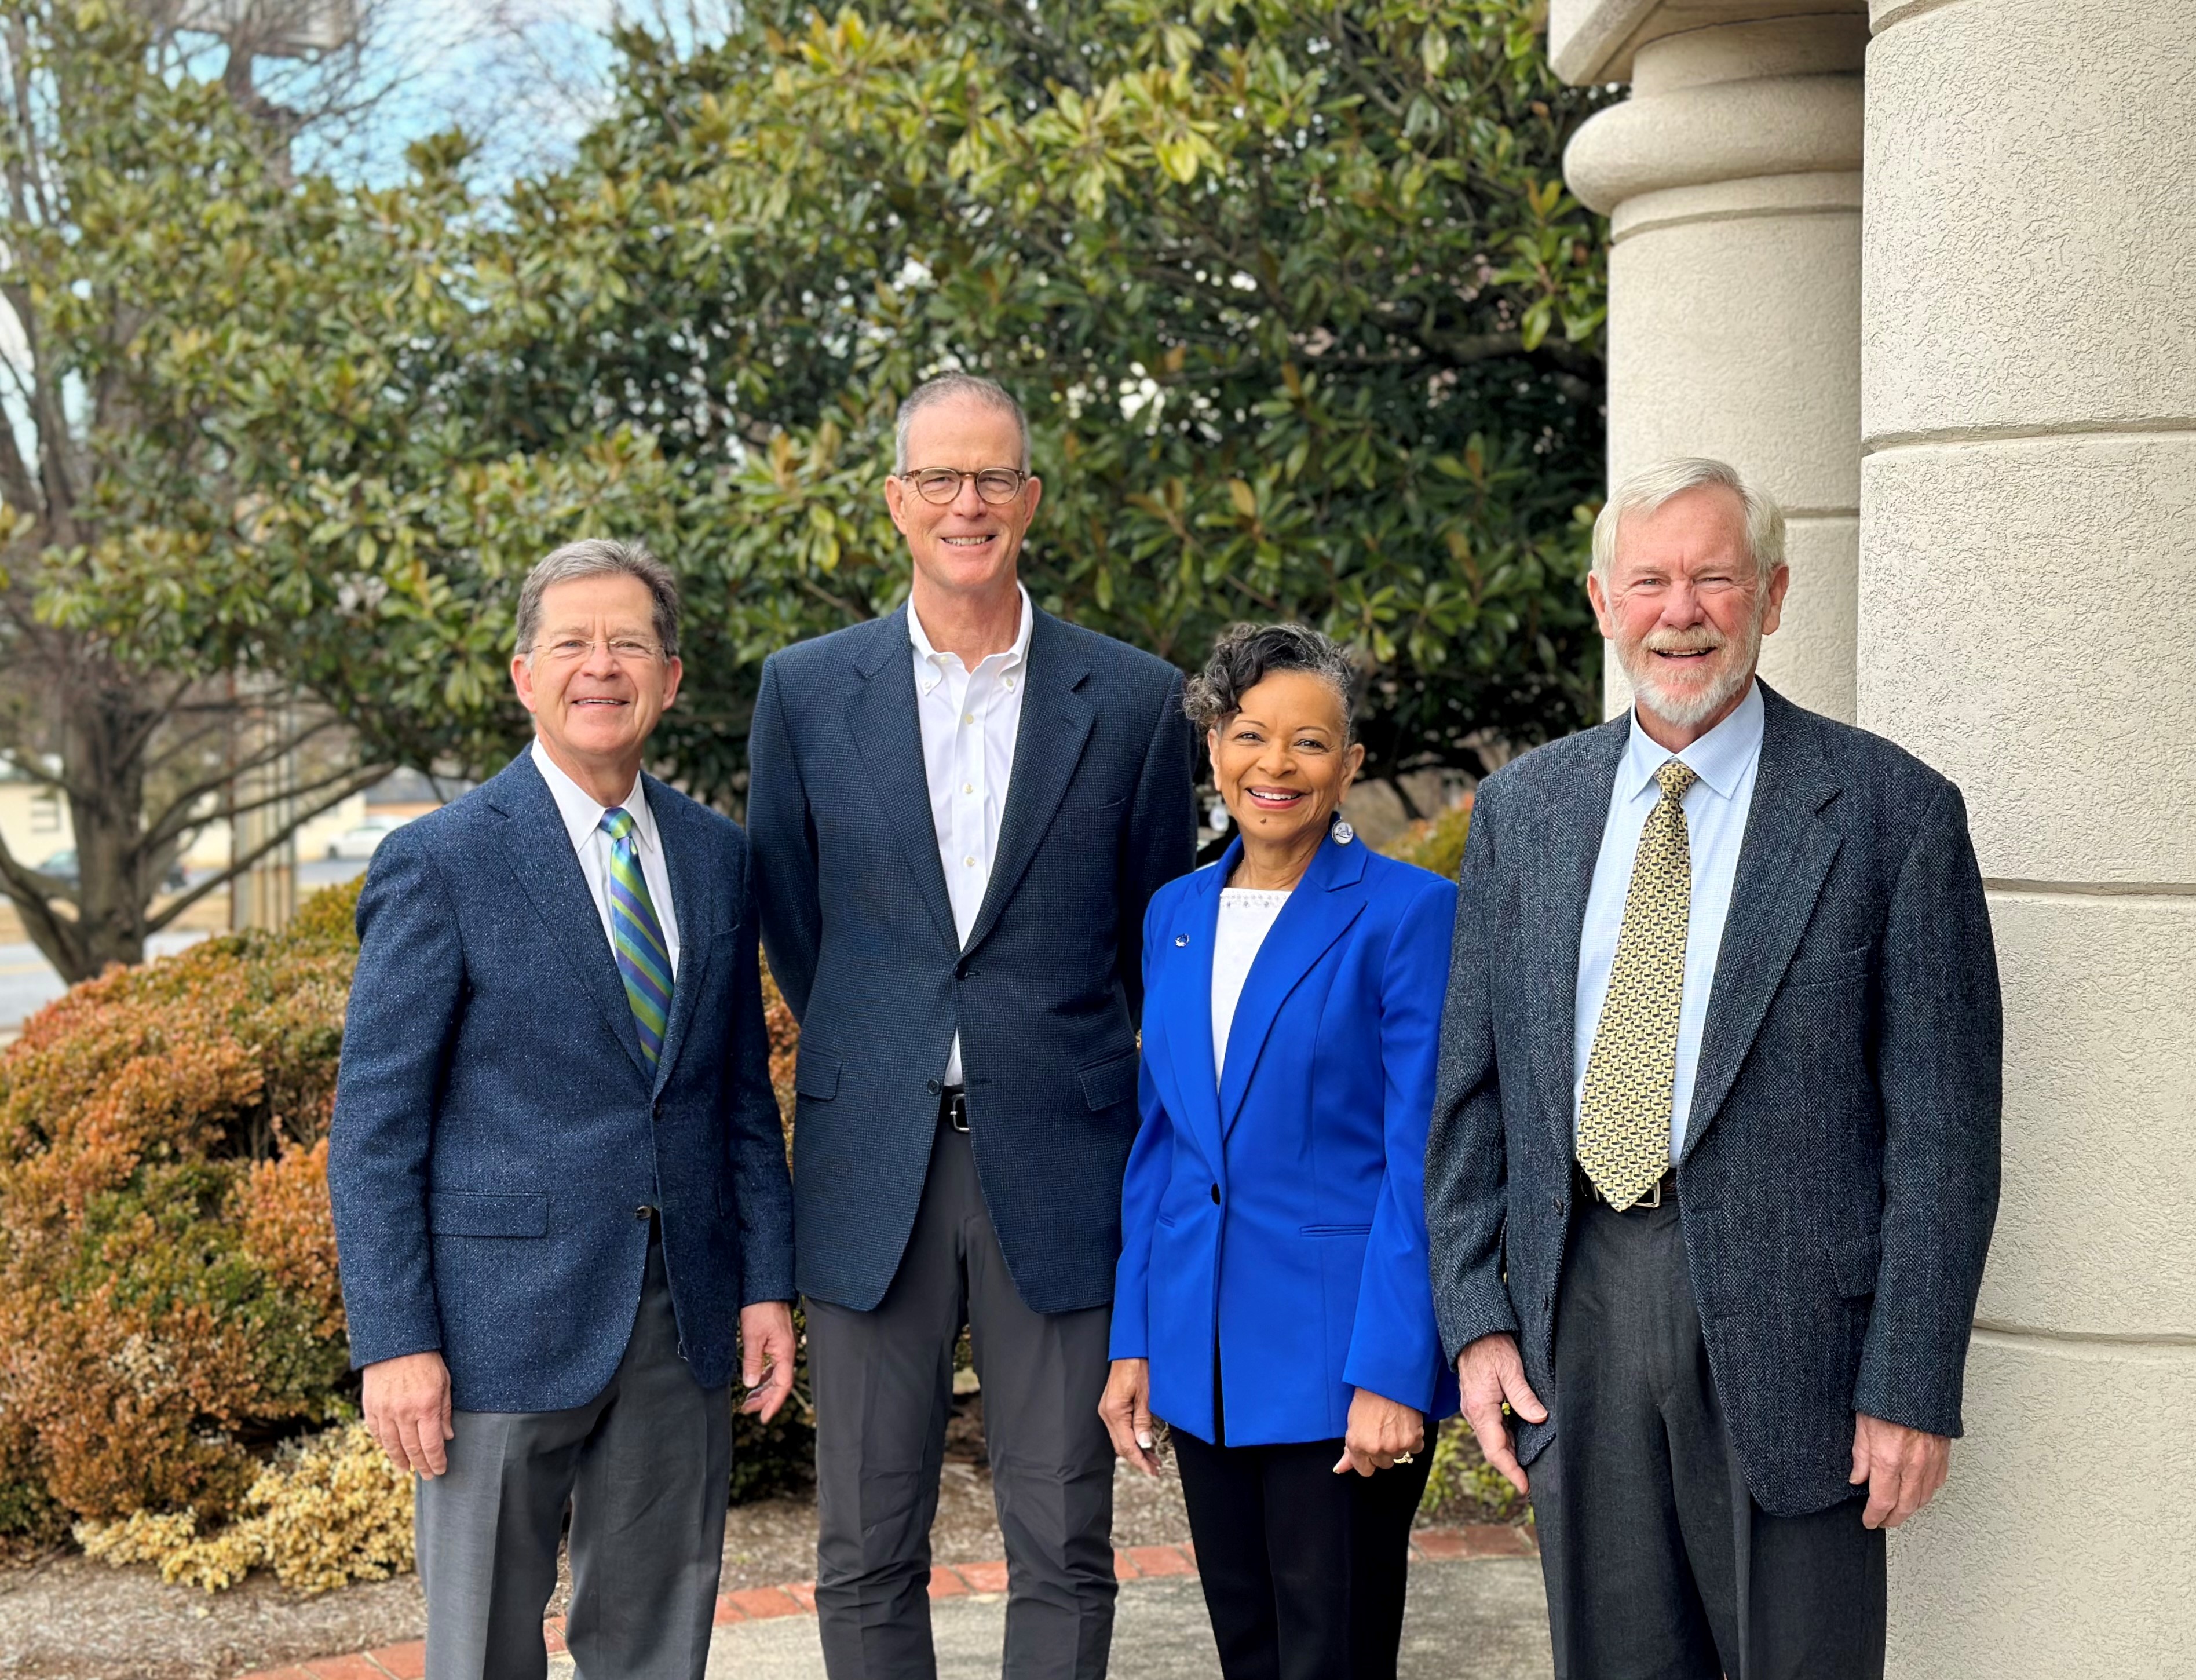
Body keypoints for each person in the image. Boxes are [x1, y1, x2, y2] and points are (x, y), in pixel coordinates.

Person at [1424, 456, 2003, 1679]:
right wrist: (1477, 1320)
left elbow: (1943, 1133)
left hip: (1800, 1337)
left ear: (1772, 595)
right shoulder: (1524, 813)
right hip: (1574, 1309)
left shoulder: (1890, 813)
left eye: (1711, 578)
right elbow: (1471, 1096)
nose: (1677, 611)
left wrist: (1907, 1382)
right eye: (1647, 580)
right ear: (1600, 600)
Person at [746, 374, 1199, 1680]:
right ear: (896, 502)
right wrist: (885, 1039)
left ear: (1031, 500)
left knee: (1062, 1537)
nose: (968, 503)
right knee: (864, 1541)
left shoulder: (1128, 698)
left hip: (1059, 1157)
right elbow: (794, 920)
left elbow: (1146, 935)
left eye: (993, 477)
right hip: (868, 1156)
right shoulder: (804, 690)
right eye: (940, 478)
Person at [327, 540, 798, 1680]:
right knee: (483, 1649)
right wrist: (396, 1341)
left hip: (676, 1312)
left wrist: (765, 1280)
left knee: (652, 1646)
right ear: (524, 674)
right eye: (573, 643)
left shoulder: (718, 858)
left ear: (670, 678)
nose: (601, 665)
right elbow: (374, 1127)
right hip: (492, 1331)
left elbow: (737, 1091)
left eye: (627, 642)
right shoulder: (438, 862)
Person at [1098, 623, 1461, 1680]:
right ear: (1213, 745)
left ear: (1350, 765)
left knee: (1331, 1662)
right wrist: (1138, 1340)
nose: (1277, 766)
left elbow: (1421, 1160)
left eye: (1310, 744)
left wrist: (1395, 1371)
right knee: (1250, 1655)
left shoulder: (1411, 915)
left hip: (1339, 1369)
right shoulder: (1174, 914)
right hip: (1203, 1359)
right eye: (1251, 734)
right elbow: (1162, 1146)